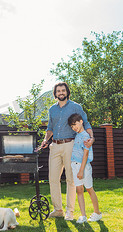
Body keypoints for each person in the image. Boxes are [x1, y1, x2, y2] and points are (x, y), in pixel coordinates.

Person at [40, 82, 94, 220]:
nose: (61, 93)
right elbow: (50, 128)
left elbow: (86, 122)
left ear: (67, 92)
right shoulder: (52, 109)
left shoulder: (76, 107)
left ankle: (70, 211)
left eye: (63, 90)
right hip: (55, 146)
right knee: (53, 179)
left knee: (71, 179)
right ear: (55, 93)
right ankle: (58, 209)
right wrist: (45, 140)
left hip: (70, 144)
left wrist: (91, 137)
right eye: (58, 91)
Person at [68, 113, 102, 223]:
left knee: (89, 189)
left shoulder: (86, 137)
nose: (74, 128)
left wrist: (81, 170)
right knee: (79, 190)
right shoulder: (77, 136)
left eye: (75, 124)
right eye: (72, 127)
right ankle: (83, 216)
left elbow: (85, 155)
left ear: (81, 121)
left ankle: (97, 213)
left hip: (84, 167)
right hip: (75, 166)